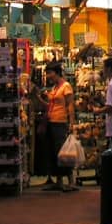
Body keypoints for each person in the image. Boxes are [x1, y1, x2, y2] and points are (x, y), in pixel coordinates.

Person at [36, 62, 77, 192]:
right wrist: (37, 98)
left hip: (60, 122)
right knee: (53, 152)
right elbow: (49, 105)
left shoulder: (66, 86)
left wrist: (71, 123)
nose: (48, 76)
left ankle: (71, 181)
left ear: (57, 72)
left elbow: (70, 105)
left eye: (50, 73)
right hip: (51, 121)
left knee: (63, 152)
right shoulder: (54, 88)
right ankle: (59, 181)